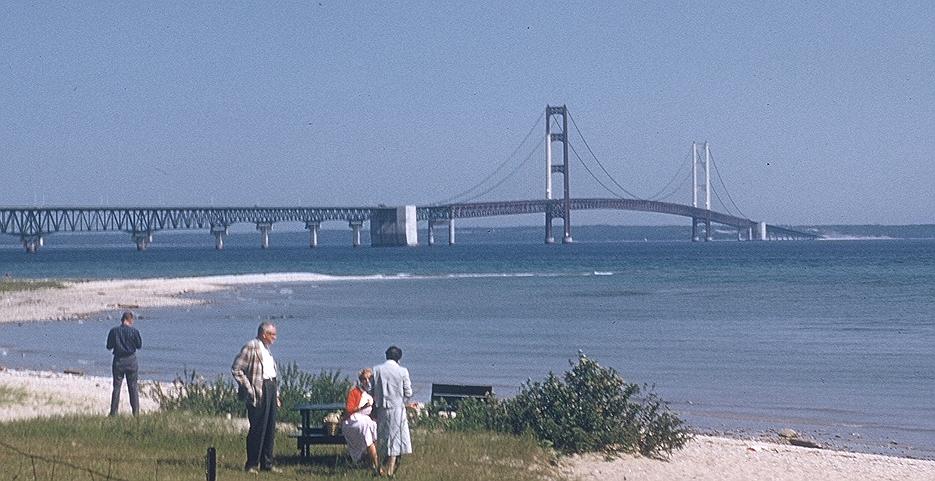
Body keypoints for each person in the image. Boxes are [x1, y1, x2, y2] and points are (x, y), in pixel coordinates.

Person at [231, 322, 282, 474]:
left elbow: (271, 372)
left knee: (270, 428)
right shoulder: (252, 346)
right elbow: (237, 369)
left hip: (271, 388)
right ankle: (252, 463)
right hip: (259, 391)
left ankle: (267, 463)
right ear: (263, 334)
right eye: (272, 334)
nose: (275, 338)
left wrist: (277, 395)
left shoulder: (267, 350)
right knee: (258, 428)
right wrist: (249, 389)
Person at [372, 345, 413, 477]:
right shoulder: (403, 371)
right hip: (397, 409)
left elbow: (372, 390)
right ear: (398, 358)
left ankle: (379, 467)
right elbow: (408, 393)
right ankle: (390, 468)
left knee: (382, 437)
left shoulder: (377, 369)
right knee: (395, 438)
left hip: (382, 408)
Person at [342, 368, 379, 475]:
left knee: (374, 427)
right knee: (366, 427)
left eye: (369, 379)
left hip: (367, 420)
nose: (367, 381)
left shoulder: (373, 394)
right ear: (360, 380)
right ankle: (376, 465)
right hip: (352, 421)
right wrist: (362, 407)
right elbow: (349, 410)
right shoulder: (354, 392)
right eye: (364, 379)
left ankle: (372, 461)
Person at [106, 310, 142, 416]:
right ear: (130, 320)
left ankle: (113, 412)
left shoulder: (114, 331)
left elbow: (109, 346)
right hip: (131, 360)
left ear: (122, 319)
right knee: (133, 387)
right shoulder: (134, 332)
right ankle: (135, 413)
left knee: (116, 388)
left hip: (118, 361)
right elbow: (139, 345)